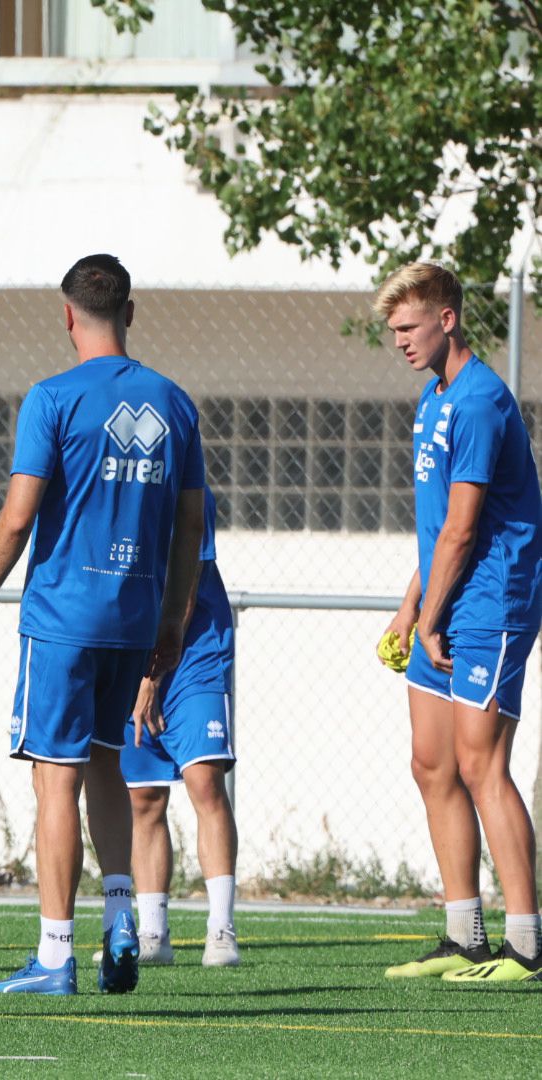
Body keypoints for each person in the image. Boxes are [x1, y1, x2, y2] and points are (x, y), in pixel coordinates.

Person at [0, 253, 204, 996]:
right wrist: (171, 623)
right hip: (135, 615)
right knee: (109, 764)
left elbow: (19, 512)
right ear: (130, 313)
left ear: (68, 316)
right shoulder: (174, 402)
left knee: (55, 777)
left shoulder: (52, 398)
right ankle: (123, 915)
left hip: (64, 616)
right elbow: (191, 528)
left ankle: (55, 953)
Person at [373, 262, 542, 983]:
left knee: (481, 764)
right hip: (445, 604)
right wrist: (411, 611)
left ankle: (529, 947)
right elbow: (439, 528)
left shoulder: (478, 402)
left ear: (447, 319)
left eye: (409, 327)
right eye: (393, 331)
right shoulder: (431, 398)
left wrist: (433, 614)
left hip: (490, 604)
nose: (400, 341)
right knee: (431, 763)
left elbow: (467, 531)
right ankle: (463, 935)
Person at [122, 484, 240, 968]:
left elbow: (184, 588)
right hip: (132, 652)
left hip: (193, 655)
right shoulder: (114, 489)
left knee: (205, 783)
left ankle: (221, 930)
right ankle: (153, 934)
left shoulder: (186, 491)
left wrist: (152, 676)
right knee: (144, 796)